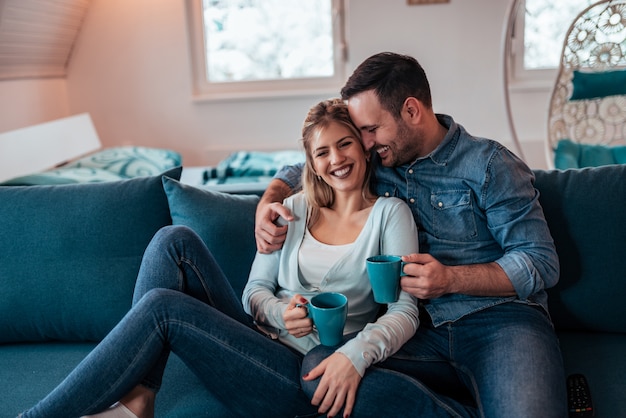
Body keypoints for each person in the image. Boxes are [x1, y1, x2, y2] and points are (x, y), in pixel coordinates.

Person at [17, 98, 430, 418]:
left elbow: (405, 310)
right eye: (323, 152)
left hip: (305, 372)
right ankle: (139, 398)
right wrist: (279, 311)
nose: (337, 159)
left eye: (344, 144)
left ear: (363, 146)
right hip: (258, 340)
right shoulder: (294, 209)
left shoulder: (388, 214)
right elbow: (254, 292)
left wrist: (353, 356)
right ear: (313, 165)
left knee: (164, 309)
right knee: (172, 239)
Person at [255, 52, 568, 417]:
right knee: (321, 368)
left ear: (411, 111)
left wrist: (450, 279)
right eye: (361, 134)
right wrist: (269, 200)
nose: (366, 143)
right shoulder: (377, 157)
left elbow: (540, 262)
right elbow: (309, 163)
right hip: (416, 331)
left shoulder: (489, 165)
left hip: (500, 322)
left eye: (371, 130)